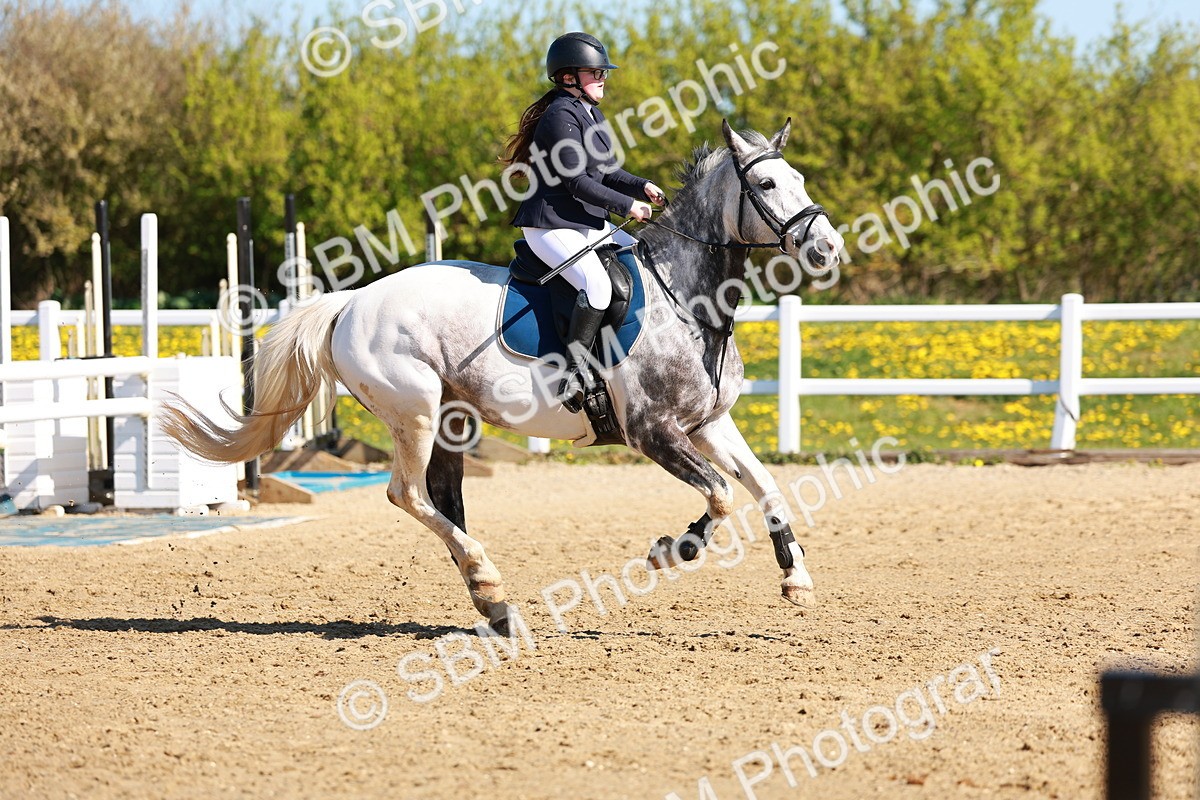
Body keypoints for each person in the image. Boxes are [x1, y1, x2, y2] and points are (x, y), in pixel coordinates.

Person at [504, 31, 665, 413]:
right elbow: (577, 182)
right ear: (568, 77)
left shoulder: (590, 112)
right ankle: (573, 375)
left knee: (647, 259)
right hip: (552, 225)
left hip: (583, 222)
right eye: (595, 72)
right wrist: (628, 206)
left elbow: (607, 172)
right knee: (596, 286)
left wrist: (641, 186)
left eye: (603, 72)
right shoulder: (560, 115)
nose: (603, 78)